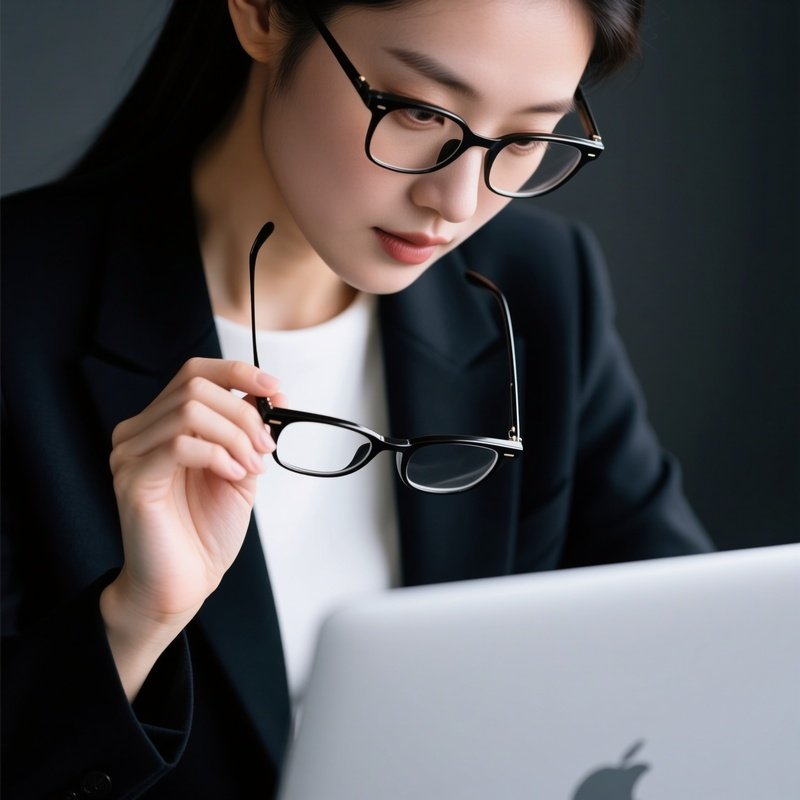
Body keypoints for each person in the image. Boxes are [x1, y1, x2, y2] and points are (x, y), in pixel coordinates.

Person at [1, 0, 714, 797]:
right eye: (418, 112)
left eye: (524, 141)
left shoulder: (538, 289)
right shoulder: (19, 311)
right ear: (264, 14)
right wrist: (134, 621)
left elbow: (693, 647)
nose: (457, 201)